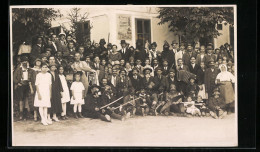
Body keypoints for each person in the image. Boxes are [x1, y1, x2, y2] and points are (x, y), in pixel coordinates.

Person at [13, 56, 36, 120]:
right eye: (24, 62)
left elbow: (33, 78)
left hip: (28, 85)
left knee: (27, 99)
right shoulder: (18, 69)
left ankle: (28, 113)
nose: (25, 63)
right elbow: (14, 78)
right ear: (21, 63)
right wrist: (18, 83)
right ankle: (21, 113)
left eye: (26, 62)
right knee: (21, 99)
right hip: (21, 86)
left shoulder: (30, 70)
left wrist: (30, 83)